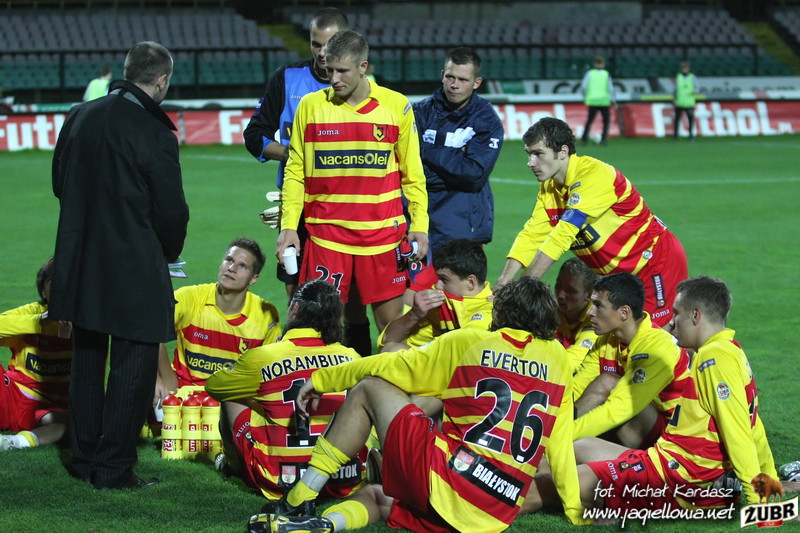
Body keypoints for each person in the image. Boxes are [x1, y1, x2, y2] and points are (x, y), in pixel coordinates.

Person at [251, 277, 589, 532]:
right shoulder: (559, 360)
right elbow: (560, 445)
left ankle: (297, 500)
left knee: (369, 388)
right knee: (378, 496)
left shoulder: (471, 341)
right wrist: (574, 508)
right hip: (493, 513)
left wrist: (324, 379)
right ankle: (323, 526)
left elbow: (391, 365)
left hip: (450, 483)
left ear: (503, 312)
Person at [51, 41, 189, 489]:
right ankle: (112, 467)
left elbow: (59, 183)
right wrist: (167, 251)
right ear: (161, 79)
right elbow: (171, 212)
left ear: (127, 72)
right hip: (134, 265)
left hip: (82, 261)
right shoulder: (155, 131)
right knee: (134, 364)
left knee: (87, 360)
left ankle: (84, 456)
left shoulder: (79, 116)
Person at [526, 276, 780, 516]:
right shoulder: (730, 352)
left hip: (678, 482)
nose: (672, 322)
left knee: (548, 486)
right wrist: (771, 485)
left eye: (677, 313)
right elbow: (753, 426)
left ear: (695, 315)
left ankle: (502, 491)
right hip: (666, 462)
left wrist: (760, 503)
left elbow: (738, 433)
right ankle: (517, 469)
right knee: (575, 449)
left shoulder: (712, 359)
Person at [276, 29, 429, 338]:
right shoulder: (310, 106)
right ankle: (347, 369)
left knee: (390, 328)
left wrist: (420, 225)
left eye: (342, 71)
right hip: (326, 237)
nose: (333, 79)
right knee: (321, 329)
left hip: (383, 237)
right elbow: (295, 172)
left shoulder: (396, 106)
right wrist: (289, 226)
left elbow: (413, 175)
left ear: (363, 67)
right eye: (329, 70)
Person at [243, 9, 372, 358]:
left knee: (352, 300)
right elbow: (254, 135)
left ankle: (356, 371)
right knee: (297, 294)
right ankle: (301, 372)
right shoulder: (287, 78)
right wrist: (296, 155)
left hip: (350, 207)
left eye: (330, 45)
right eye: (316, 44)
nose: (322, 53)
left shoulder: (362, 85)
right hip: (298, 207)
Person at [495, 117, 688, 328]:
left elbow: (562, 235)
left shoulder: (594, 175)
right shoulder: (550, 189)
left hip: (654, 263)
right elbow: (532, 235)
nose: (530, 162)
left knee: (651, 338)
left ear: (563, 151)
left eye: (538, 154)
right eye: (529, 154)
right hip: (619, 277)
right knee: (617, 339)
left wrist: (523, 290)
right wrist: (504, 282)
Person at [205, 279, 365, 501]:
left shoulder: (265, 356)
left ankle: (231, 465)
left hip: (280, 478)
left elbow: (214, 387)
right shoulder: (351, 357)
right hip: (342, 477)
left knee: (234, 395)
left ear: (295, 309)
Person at [570, 273, 690, 450]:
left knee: (608, 383)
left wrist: (562, 437)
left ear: (624, 313)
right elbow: (577, 388)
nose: (590, 312)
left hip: (673, 438)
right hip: (631, 427)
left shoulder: (658, 347)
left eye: (598, 306)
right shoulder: (606, 342)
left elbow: (620, 409)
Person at [153, 238, 280, 403]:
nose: (232, 268)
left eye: (242, 266)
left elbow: (270, 371)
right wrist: (160, 380)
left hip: (230, 402)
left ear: (253, 279)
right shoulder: (189, 298)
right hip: (183, 395)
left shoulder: (265, 316)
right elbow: (151, 330)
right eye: (229, 260)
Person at [411, 47, 504, 253]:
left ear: (476, 83)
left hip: (463, 224)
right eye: (450, 77)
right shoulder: (419, 112)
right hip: (418, 220)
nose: (455, 85)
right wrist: (458, 161)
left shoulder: (487, 119)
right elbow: (409, 169)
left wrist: (426, 150)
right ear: (442, 75)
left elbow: (473, 175)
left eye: (463, 80)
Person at [1, 259, 72, 451]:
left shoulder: (89, 323)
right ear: (43, 292)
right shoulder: (33, 313)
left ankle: (13, 442)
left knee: (77, 420)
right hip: (13, 396)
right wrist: (39, 323)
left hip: (50, 408)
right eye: (55, 285)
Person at [377, 238, 493, 352]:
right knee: (392, 350)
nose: (437, 285)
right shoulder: (440, 302)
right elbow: (388, 340)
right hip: (437, 361)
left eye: (444, 280)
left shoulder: (493, 311)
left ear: (470, 282)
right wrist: (414, 315)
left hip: (465, 363)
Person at [554, 257, 597, 373]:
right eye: (558, 285)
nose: (560, 295)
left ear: (589, 295)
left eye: (570, 290)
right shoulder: (548, 310)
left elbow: (571, 362)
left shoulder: (597, 319)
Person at [580, 55, 614, 146]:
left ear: (594, 64)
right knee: (606, 121)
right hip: (604, 101)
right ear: (603, 64)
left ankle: (584, 140)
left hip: (593, 101)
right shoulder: (606, 74)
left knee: (589, 121)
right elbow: (610, 88)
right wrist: (614, 100)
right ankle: (603, 139)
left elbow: (583, 87)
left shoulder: (590, 73)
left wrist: (585, 96)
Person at [673, 60, 698, 141]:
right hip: (680, 101)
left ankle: (690, 135)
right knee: (677, 119)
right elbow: (676, 89)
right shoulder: (679, 77)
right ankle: (676, 136)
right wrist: (674, 98)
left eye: (686, 68)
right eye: (683, 68)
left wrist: (695, 91)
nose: (685, 70)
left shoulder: (692, 77)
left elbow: (697, 88)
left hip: (689, 102)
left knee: (690, 120)